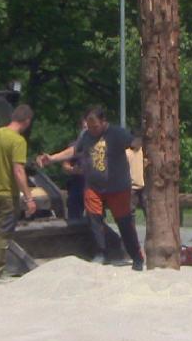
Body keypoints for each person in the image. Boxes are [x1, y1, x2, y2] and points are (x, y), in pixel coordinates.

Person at [38, 106, 144, 271]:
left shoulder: (116, 133)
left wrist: (142, 136)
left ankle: (136, 257)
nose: (92, 130)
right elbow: (74, 150)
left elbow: (134, 143)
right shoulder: (86, 135)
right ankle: (101, 252)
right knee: (93, 219)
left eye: (95, 126)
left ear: (103, 121)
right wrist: (52, 158)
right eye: (89, 125)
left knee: (124, 223)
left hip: (118, 187)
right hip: (93, 186)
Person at [0, 104, 38, 278]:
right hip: (9, 194)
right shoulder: (18, 141)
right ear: (27, 121)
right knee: (3, 233)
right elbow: (18, 171)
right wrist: (29, 198)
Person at [62, 117, 87, 221]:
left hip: (95, 185)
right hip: (77, 183)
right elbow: (65, 165)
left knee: (97, 218)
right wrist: (73, 170)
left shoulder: (100, 145)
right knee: (74, 217)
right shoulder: (73, 146)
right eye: (84, 127)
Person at [127, 136, 146, 220]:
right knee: (131, 211)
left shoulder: (142, 151)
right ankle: (132, 231)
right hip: (131, 187)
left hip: (143, 185)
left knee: (147, 209)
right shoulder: (127, 153)